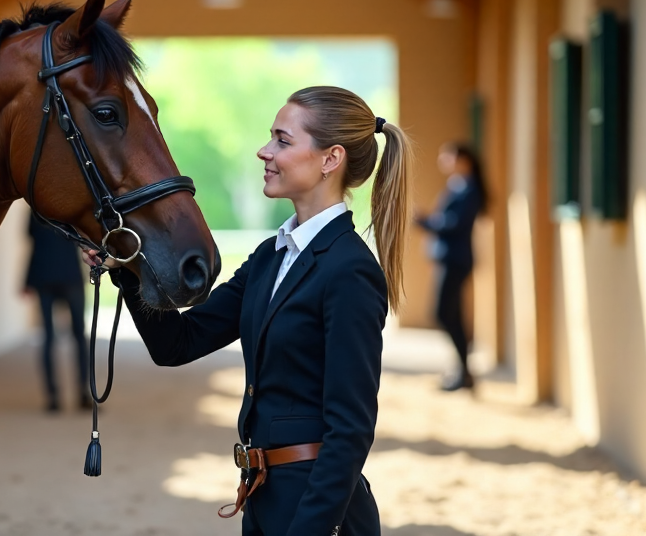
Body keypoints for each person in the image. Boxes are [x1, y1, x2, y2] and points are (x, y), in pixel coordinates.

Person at [86, 86, 410, 536]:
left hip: (316, 511)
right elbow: (178, 344)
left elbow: (351, 430)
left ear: (330, 159)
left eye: (282, 140)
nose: (265, 151)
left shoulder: (350, 270)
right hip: (262, 494)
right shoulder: (269, 257)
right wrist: (129, 269)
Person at [414, 142, 487, 392]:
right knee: (451, 314)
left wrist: (425, 221)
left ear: (463, 159)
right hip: (450, 259)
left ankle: (464, 370)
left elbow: (454, 224)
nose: (443, 161)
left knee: (445, 313)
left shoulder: (469, 189)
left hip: (456, 260)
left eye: (449, 157)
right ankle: (463, 371)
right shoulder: (459, 186)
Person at [25, 214, 91, 413]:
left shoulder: (37, 208)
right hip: (70, 275)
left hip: (45, 276)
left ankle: (53, 397)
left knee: (49, 337)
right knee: (79, 336)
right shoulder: (68, 207)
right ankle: (82, 394)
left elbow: (31, 238)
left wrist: (28, 279)